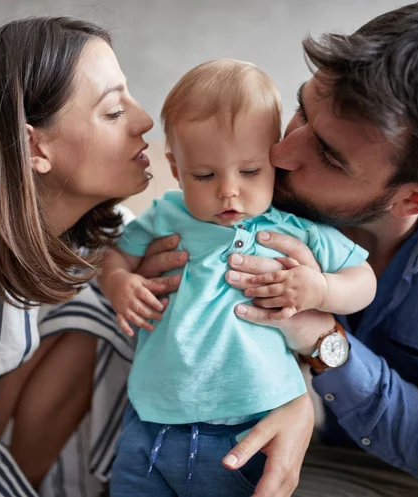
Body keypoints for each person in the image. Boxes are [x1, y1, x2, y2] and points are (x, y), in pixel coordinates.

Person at [0, 16, 314, 497]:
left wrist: (294, 397)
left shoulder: (111, 231)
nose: (145, 122)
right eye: (114, 110)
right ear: (34, 145)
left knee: (101, 304)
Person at [207, 1, 418, 496]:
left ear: (417, 198)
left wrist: (322, 343)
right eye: (303, 108)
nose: (282, 153)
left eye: (327, 156)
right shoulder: (276, 181)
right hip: (315, 432)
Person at [98, 59, 376, 496]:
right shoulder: (166, 215)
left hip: (250, 426)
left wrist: (321, 289)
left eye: (250, 172)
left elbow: (363, 279)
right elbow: (114, 256)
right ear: (175, 167)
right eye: (204, 175)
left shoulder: (292, 229)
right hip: (150, 420)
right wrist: (120, 283)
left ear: (276, 160)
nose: (228, 190)